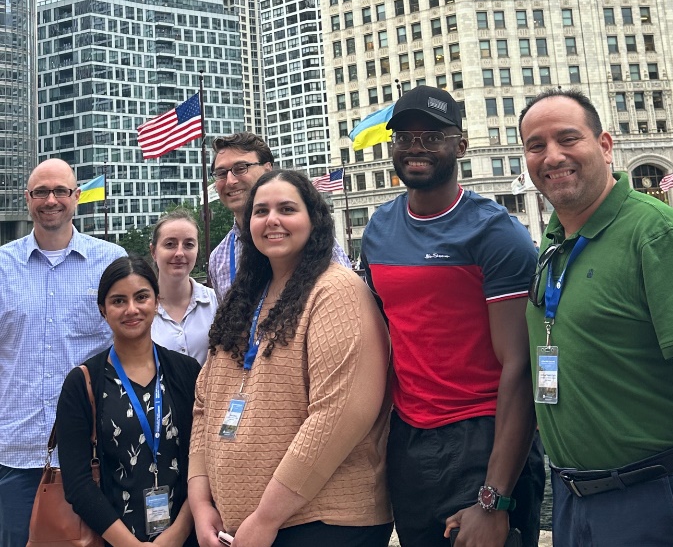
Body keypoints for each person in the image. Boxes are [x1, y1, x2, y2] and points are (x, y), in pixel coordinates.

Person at [360, 85, 544, 547]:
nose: (415, 146)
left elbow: (520, 368)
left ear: (460, 145)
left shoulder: (496, 233)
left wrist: (495, 499)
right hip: (409, 438)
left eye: (432, 135)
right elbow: (383, 338)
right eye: (404, 136)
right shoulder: (379, 229)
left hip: (482, 437)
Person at [188, 169, 393, 547]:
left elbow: (339, 414)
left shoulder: (335, 291)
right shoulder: (244, 297)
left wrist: (267, 517)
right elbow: (205, 406)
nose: (272, 220)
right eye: (260, 211)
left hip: (322, 524)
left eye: (287, 209)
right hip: (241, 528)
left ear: (313, 220)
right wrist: (201, 504)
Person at [521, 89, 673, 547]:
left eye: (568, 139)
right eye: (535, 145)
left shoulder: (654, 232)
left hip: (648, 497)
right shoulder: (553, 242)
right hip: (572, 499)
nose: (552, 156)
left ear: (605, 146)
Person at [0, 158, 125, 547]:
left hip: (94, 449)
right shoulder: (2, 266)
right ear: (27, 199)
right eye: (41, 192)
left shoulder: (110, 261)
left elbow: (129, 345)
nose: (51, 199)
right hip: (17, 449)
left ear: (76, 197)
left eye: (60, 191)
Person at [57, 256, 201, 547]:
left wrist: (180, 532)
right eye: (119, 301)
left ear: (156, 303)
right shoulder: (82, 383)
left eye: (142, 297)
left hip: (185, 536)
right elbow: (78, 483)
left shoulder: (187, 372)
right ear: (103, 310)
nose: (131, 309)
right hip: (110, 538)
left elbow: (204, 459)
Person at [207, 133, 350, 302]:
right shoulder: (219, 258)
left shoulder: (310, 241)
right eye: (221, 173)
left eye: (241, 168)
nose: (230, 181)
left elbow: (346, 300)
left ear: (268, 170)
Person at [150, 209, 217, 366]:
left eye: (188, 244)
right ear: (153, 251)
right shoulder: (140, 310)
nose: (179, 252)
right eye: (170, 244)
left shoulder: (217, 303)